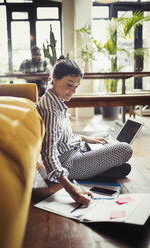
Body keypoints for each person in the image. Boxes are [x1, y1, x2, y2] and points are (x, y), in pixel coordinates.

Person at [36, 59, 133, 205]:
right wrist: (73, 190)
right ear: (54, 79)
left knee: (104, 136)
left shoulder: (55, 100)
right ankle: (98, 171)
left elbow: (63, 137)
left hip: (75, 150)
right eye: (69, 85)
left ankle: (101, 169)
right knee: (125, 149)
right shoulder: (51, 111)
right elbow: (49, 155)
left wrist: (86, 139)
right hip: (68, 164)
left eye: (76, 86)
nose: (73, 91)